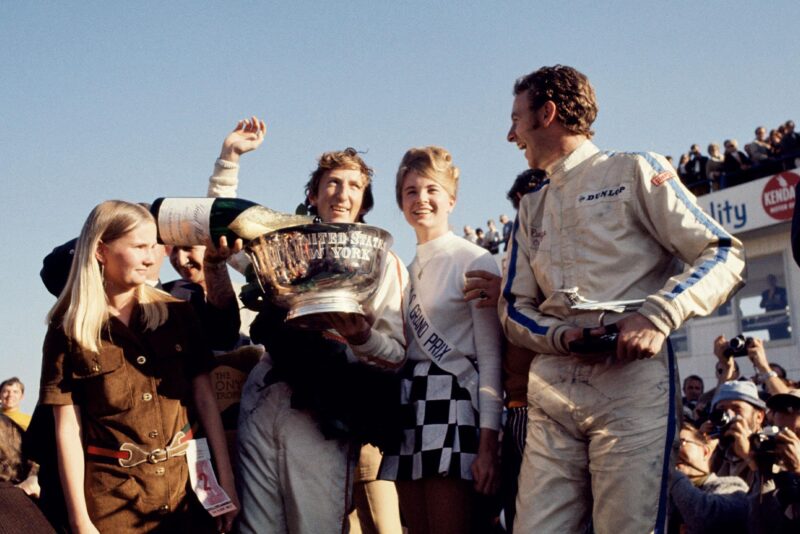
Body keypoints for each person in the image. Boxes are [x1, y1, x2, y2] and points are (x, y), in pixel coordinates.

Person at [500, 64, 745, 533]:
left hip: (630, 382)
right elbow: (512, 308)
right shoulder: (531, 206)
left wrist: (657, 314)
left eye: (516, 119)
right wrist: (563, 336)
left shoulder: (635, 170)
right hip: (553, 385)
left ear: (547, 114)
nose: (510, 134)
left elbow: (723, 254)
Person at [207, 120, 408, 534]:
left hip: (324, 407)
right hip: (265, 395)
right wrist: (229, 159)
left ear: (364, 201)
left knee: (314, 526)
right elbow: (223, 224)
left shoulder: (382, 263)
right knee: (255, 529)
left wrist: (361, 336)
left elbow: (398, 353)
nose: (343, 193)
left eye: (354, 186)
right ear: (313, 195)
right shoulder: (286, 247)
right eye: (333, 183)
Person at [39, 201, 238, 533]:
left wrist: (226, 480)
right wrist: (80, 520)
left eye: (155, 246)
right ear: (101, 251)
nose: (151, 257)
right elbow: (67, 432)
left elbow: (206, 403)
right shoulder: (67, 329)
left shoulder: (179, 314)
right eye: (139, 247)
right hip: (113, 504)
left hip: (188, 493)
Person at [379, 146, 503, 533]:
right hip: (408, 403)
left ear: (452, 198)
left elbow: (491, 361)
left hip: (455, 402)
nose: (421, 200)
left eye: (431, 189)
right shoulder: (403, 267)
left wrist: (488, 447)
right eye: (411, 191)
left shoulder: (474, 259)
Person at [669, 422, 749, 534]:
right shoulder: (663, 495)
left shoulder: (732, 485)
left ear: (705, 452)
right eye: (667, 448)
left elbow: (708, 517)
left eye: (681, 443)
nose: (671, 453)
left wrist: (673, 475)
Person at [760, 273, 789, 340]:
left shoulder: (782, 290)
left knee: (782, 333)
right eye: (769, 280)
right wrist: (768, 300)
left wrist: (778, 302)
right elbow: (761, 305)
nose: (770, 282)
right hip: (770, 318)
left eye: (771, 280)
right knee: (773, 334)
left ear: (775, 280)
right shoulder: (765, 293)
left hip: (781, 317)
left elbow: (786, 303)